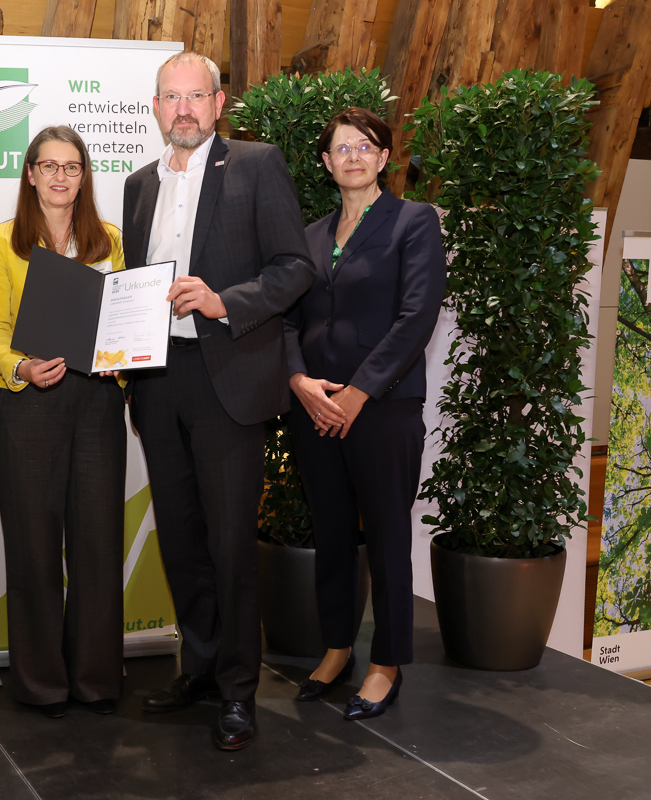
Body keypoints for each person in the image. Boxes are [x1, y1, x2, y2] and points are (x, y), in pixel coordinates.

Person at [122, 52, 316, 751]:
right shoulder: (138, 185)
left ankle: (239, 690)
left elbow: (295, 268)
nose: (184, 109)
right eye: (171, 97)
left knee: (231, 543)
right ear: (155, 107)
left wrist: (223, 301)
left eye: (195, 96)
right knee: (181, 539)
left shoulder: (257, 166)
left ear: (218, 102)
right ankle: (200, 670)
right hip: (157, 381)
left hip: (227, 379)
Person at [285, 107, 446, 721]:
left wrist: (358, 393)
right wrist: (300, 381)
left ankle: (386, 664)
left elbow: (417, 316)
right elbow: (288, 320)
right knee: (330, 531)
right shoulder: (308, 235)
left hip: (382, 407)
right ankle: (335, 649)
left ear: (383, 158)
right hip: (314, 406)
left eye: (365, 146)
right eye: (341, 148)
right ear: (326, 163)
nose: (352, 157)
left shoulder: (413, 221)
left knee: (386, 535)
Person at [0, 126, 127, 718]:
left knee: (97, 543)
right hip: (31, 402)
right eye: (49, 166)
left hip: (97, 403)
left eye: (72, 166)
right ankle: (41, 683)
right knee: (33, 546)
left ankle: (95, 679)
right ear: (31, 173)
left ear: (84, 175)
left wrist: (122, 360)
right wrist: (21, 367)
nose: (61, 176)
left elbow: (123, 320)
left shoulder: (109, 239)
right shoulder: (2, 241)